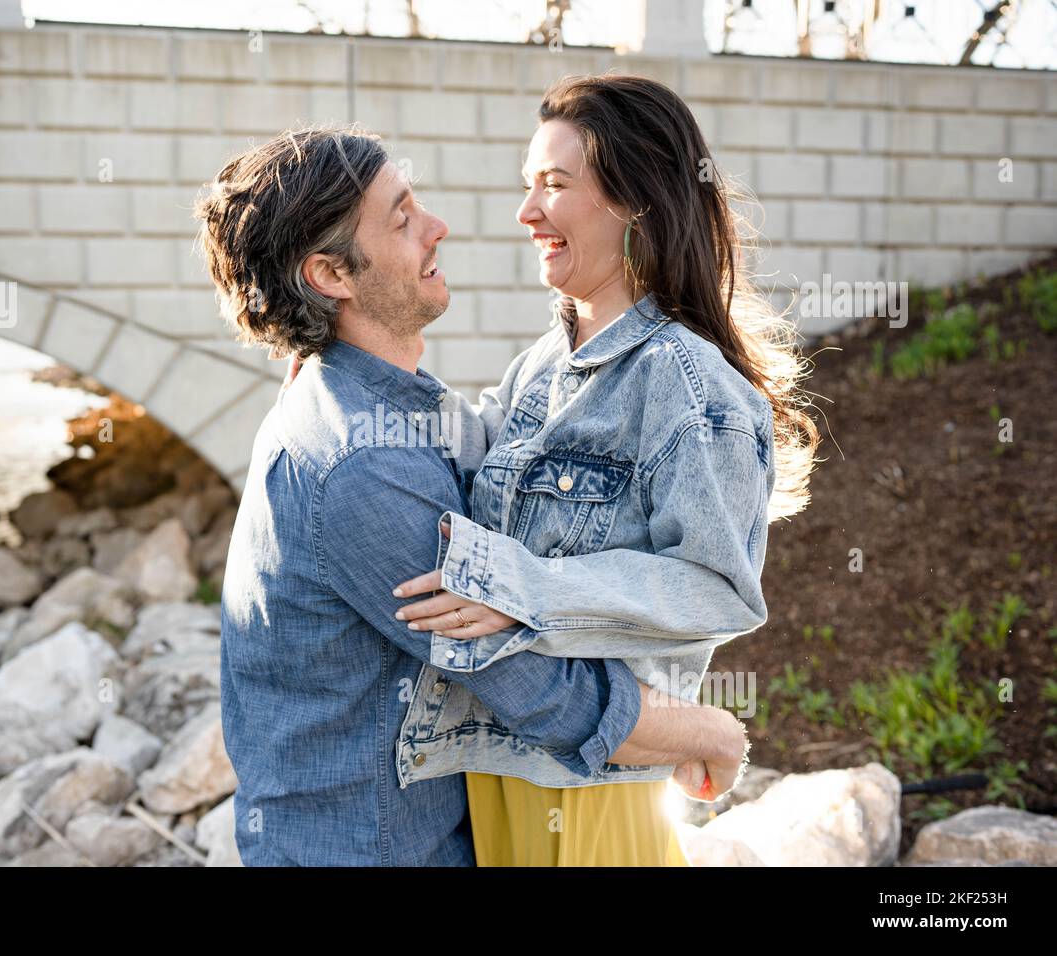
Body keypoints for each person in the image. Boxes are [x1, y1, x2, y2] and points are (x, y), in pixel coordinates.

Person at [194, 123, 748, 866]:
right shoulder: (360, 463)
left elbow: (504, 456)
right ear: (331, 275)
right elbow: (537, 689)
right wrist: (708, 732)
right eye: (402, 216)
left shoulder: (376, 410)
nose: (436, 227)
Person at [390, 74, 819, 866]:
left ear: (635, 200)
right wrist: (337, 370)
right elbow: (447, 458)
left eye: (555, 186)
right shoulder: (539, 368)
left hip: (593, 789)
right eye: (528, 186)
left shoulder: (694, 392)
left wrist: (524, 591)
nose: (527, 213)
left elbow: (717, 589)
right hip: (491, 766)